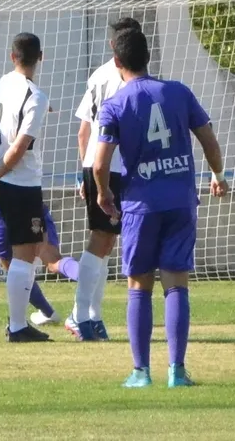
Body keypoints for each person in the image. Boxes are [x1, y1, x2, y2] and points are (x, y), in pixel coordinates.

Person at [94, 29, 228, 388]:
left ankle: (141, 372)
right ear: (148, 56)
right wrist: (218, 175)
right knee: (176, 282)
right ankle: (177, 372)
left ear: (117, 61)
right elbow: (209, 140)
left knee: (139, 283)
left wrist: (104, 194)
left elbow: (99, 163)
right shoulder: (179, 92)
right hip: (180, 200)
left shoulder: (116, 104)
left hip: (141, 205)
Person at [0, 91, 80, 328]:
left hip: (2, 214)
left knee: (13, 267)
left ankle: (38, 316)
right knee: (52, 261)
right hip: (31, 202)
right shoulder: (10, 136)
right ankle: (84, 283)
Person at [0, 32, 55, 342]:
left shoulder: (1, 84)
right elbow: (20, 146)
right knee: (25, 254)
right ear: (41, 58)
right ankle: (18, 326)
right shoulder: (35, 96)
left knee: (25, 251)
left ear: (13, 57)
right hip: (21, 182)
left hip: (2, 178)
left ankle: (18, 323)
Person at [69, 17, 142, 341]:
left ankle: (93, 315)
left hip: (96, 163)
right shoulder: (126, 78)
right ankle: (79, 313)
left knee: (106, 242)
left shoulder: (98, 74)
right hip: (111, 165)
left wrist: (84, 170)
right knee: (101, 239)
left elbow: (83, 130)